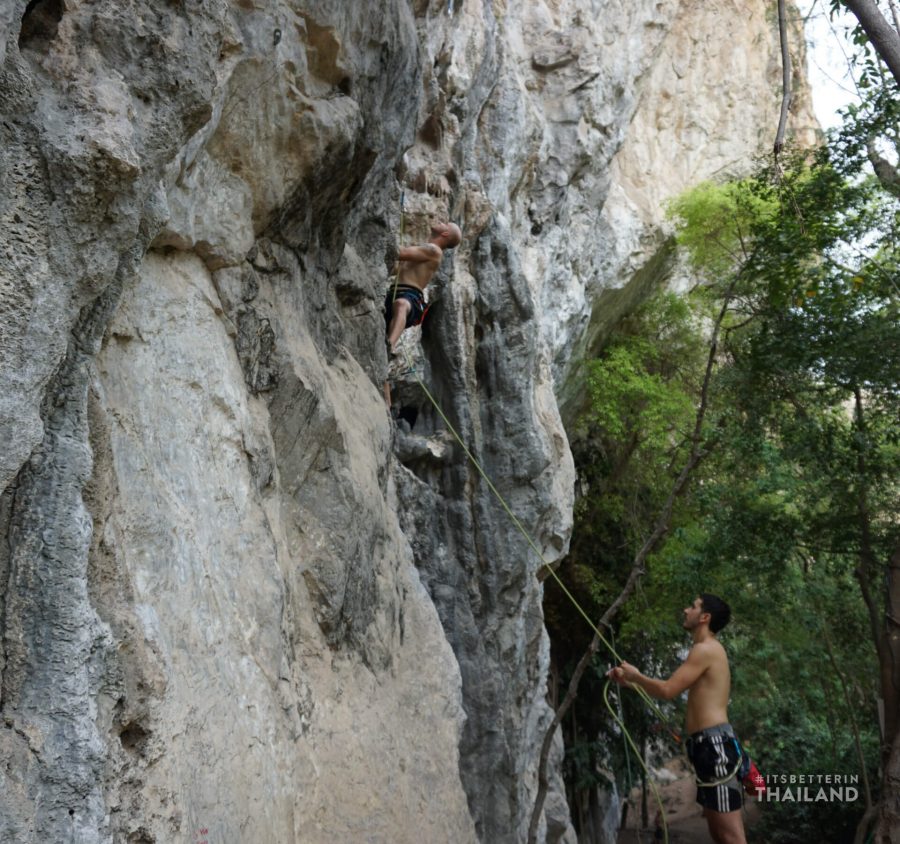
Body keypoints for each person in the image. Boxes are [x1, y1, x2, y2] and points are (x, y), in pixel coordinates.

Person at [608, 594, 747, 844]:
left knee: (731, 836)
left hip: (715, 748)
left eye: (693, 606)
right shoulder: (706, 650)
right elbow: (670, 688)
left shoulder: (705, 650)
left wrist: (636, 676)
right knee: (719, 834)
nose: (686, 610)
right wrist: (630, 682)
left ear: (705, 617)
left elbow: (668, 691)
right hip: (708, 748)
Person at [384, 220, 461, 354]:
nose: (441, 221)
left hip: (410, 297)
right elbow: (396, 268)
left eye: (445, 223)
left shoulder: (434, 250)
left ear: (445, 233)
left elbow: (399, 253)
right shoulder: (425, 250)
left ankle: (390, 345)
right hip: (394, 293)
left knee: (401, 304)